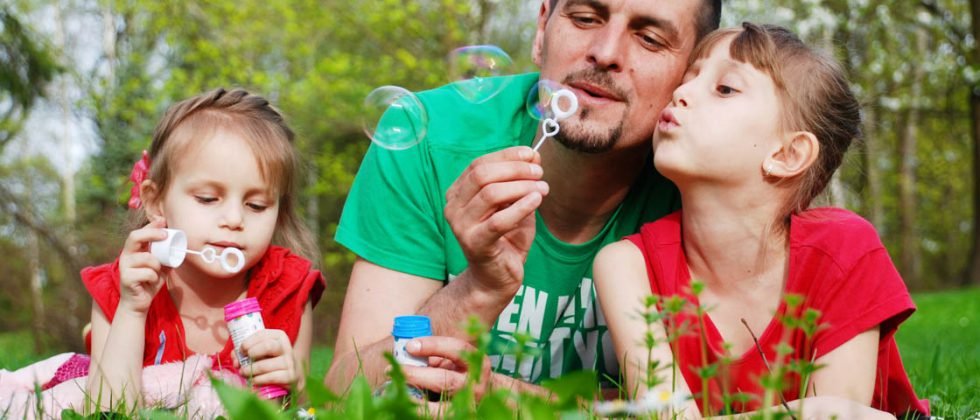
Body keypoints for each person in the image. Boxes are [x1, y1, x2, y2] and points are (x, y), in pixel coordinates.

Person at [327, 0, 722, 397]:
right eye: (585, 18)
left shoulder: (713, 180)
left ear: (693, 74)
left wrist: (504, 399)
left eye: (650, 39)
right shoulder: (428, 136)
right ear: (541, 29)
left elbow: (713, 404)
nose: (605, 53)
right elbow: (345, 391)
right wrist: (478, 289)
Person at [593, 23, 929, 418]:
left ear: (787, 154)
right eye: (689, 78)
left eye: (725, 89)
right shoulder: (625, 265)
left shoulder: (844, 250)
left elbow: (841, 414)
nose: (680, 93)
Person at [82, 88, 325, 410]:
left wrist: (295, 383)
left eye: (257, 205)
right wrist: (132, 311)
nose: (235, 219)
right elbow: (106, 411)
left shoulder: (287, 290)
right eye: (208, 199)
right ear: (156, 201)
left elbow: (305, 411)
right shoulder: (121, 288)